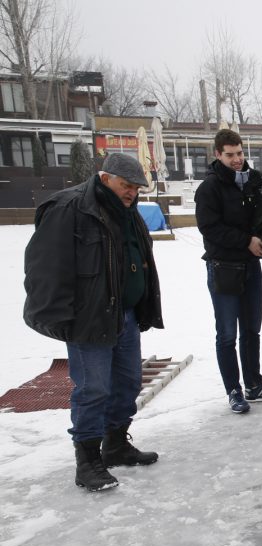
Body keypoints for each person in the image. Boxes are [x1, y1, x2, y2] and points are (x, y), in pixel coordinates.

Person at [23, 152, 164, 492]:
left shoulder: (129, 213)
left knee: (128, 383)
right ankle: (87, 461)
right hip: (89, 318)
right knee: (93, 389)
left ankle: (114, 444)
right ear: (105, 179)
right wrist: (61, 318)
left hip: (125, 315)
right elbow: (44, 267)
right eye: (126, 185)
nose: (132, 193)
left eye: (136, 188)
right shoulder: (70, 208)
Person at [195, 129, 262, 414]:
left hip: (250, 267)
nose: (237, 160)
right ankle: (234, 390)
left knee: (251, 330)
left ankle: (254, 384)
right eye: (230, 155)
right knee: (226, 335)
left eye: (240, 153)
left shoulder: (255, 181)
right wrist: (246, 241)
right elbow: (209, 228)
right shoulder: (209, 188)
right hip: (223, 268)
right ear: (217, 154)